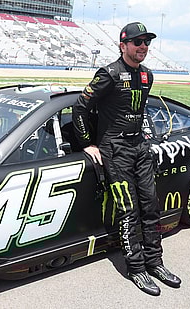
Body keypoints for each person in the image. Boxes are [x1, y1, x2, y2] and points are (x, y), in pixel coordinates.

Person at [72, 21, 181, 296]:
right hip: (114, 150)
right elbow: (80, 107)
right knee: (129, 211)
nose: (143, 47)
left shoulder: (147, 76)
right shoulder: (108, 73)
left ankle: (155, 262)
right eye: (137, 42)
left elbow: (140, 112)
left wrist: (146, 139)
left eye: (147, 42)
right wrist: (88, 144)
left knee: (150, 207)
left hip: (139, 149)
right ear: (123, 46)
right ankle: (136, 268)